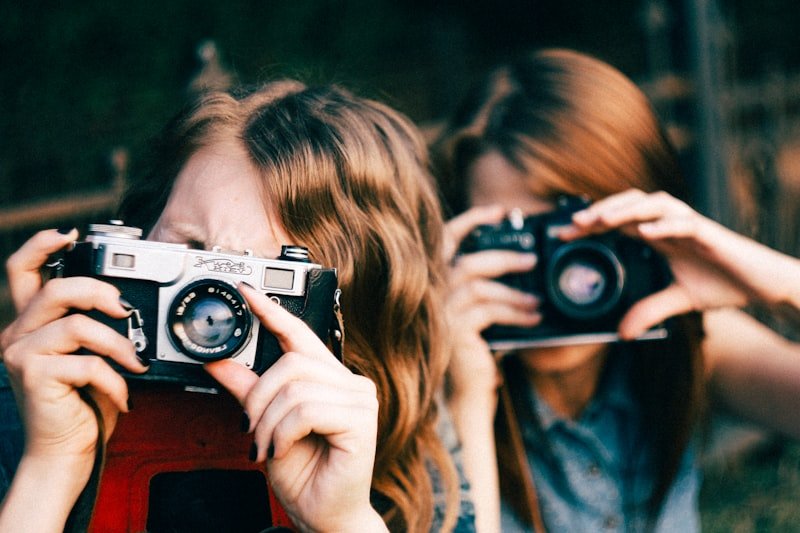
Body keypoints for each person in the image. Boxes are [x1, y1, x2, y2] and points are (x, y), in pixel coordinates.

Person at [0, 81, 474, 532]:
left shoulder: (400, 440)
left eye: (262, 280)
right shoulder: (40, 397)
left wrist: (345, 523)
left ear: (347, 310)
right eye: (189, 249)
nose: (211, 309)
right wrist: (50, 465)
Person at [432, 48, 800, 533]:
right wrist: (468, 399)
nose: (557, 275)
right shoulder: (431, 390)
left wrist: (773, 283)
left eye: (579, 237)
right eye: (519, 237)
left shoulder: (685, 343)